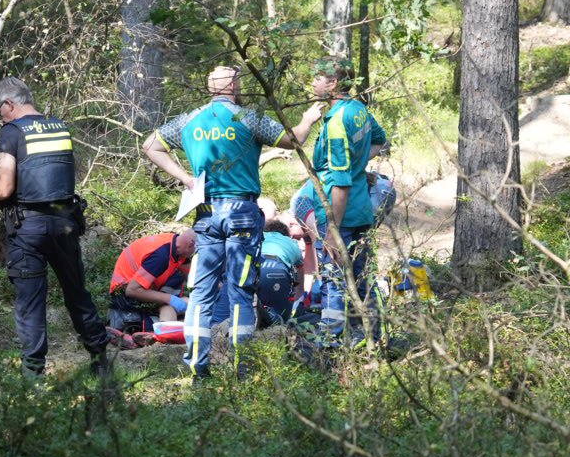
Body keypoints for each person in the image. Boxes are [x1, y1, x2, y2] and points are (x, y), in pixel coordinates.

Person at [142, 64, 322, 378]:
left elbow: (150, 146)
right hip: (241, 213)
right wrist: (307, 119)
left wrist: (186, 178)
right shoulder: (247, 117)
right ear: (235, 87)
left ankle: (199, 370)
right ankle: (242, 368)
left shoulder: (189, 120)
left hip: (207, 214)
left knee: (202, 292)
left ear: (211, 88)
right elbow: (292, 141)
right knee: (240, 291)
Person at [0, 77, 113, 379]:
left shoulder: (11, 132)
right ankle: (102, 364)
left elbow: (2, 189)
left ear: (9, 104)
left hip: (29, 228)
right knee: (77, 294)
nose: (0, 118)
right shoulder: (59, 127)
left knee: (30, 303)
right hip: (65, 224)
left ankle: (33, 377)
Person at [296, 57, 389, 344]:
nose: (313, 82)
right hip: (362, 210)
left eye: (318, 78)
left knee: (333, 282)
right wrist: (359, 165)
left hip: (341, 215)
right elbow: (380, 140)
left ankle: (331, 345)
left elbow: (340, 183)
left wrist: (332, 232)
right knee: (364, 279)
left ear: (333, 83)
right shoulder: (359, 109)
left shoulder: (337, 123)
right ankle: (377, 339)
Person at [108, 229, 197, 335]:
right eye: (197, 249)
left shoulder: (177, 246)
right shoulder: (161, 256)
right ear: (191, 244)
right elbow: (131, 290)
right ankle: (160, 333)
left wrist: (217, 287)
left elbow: (193, 277)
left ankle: (164, 331)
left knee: (187, 302)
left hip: (144, 288)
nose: (196, 253)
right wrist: (169, 299)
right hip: (125, 296)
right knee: (169, 306)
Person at [258, 218, 317, 326]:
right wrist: (298, 302)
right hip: (277, 270)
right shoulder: (291, 242)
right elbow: (299, 278)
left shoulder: (260, 236)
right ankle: (275, 327)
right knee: (281, 316)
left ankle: (259, 312)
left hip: (256, 267)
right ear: (286, 234)